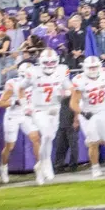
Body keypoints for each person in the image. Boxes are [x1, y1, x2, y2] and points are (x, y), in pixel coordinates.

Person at [28, 48, 72, 185]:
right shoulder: (33, 72)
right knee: (46, 136)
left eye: (52, 62)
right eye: (46, 62)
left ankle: (41, 165)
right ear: (41, 62)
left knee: (50, 138)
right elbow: (21, 88)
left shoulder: (61, 70)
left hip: (54, 108)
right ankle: (45, 163)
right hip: (39, 109)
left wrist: (65, 93)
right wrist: (25, 104)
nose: (49, 65)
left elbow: (70, 88)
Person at [0, 61, 42, 185]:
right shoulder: (13, 84)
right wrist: (14, 102)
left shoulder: (36, 83)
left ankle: (39, 169)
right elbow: (1, 103)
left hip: (26, 114)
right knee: (10, 146)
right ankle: (4, 166)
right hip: (13, 115)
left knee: (35, 138)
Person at [71, 55, 105, 178]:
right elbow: (73, 103)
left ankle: (90, 141)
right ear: (85, 68)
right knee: (94, 142)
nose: (93, 70)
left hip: (102, 111)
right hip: (87, 113)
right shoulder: (80, 80)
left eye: (95, 67)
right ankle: (95, 168)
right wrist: (82, 113)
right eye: (90, 67)